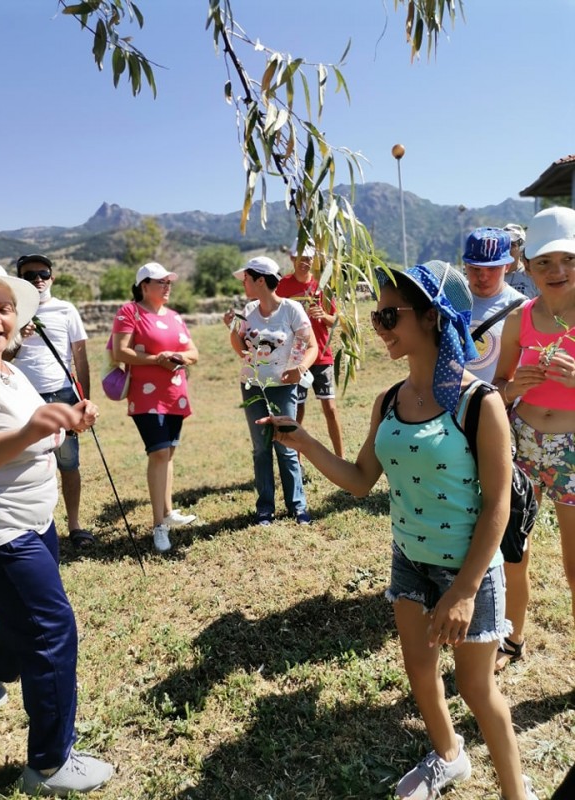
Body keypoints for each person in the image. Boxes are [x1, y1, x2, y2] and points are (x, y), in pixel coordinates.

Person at [259, 261, 538, 800]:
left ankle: (514, 791)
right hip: (409, 556)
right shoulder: (388, 400)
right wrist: (305, 442)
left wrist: (463, 589)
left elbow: (497, 508)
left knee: (478, 690)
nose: (380, 326)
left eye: (389, 315)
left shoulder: (478, 403)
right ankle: (449, 756)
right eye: (377, 314)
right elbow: (363, 480)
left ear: (432, 317)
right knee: (418, 668)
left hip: (469, 569)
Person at [0, 258, 113, 796]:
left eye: (3, 308)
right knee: (51, 630)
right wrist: (35, 426)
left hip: (32, 523)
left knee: (24, 618)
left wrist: (67, 422)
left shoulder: (5, 370)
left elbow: (34, 433)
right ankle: (50, 764)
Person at [493, 206, 575, 671]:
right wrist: (511, 387)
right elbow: (499, 387)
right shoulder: (518, 319)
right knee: (513, 552)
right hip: (523, 446)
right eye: (544, 261)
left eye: (567, 259)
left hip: (573, 452)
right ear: (527, 268)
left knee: (574, 567)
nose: (557, 271)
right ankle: (512, 639)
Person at [223, 256, 317, 526]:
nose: (244, 284)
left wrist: (299, 369)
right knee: (261, 448)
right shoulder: (249, 310)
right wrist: (232, 328)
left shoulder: (291, 310)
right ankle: (265, 509)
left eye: (246, 279)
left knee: (286, 446)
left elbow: (312, 346)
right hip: (252, 386)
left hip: (283, 387)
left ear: (260, 280)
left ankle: (298, 506)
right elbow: (240, 347)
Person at [111, 262, 198, 554]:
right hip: (146, 395)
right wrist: (157, 359)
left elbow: (193, 352)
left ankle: (168, 512)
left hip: (175, 393)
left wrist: (178, 357)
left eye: (169, 282)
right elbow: (120, 351)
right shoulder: (129, 312)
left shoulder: (174, 316)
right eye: (161, 282)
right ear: (144, 285)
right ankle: (158, 525)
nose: (167, 286)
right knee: (159, 452)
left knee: (168, 453)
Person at [11, 254, 95, 550]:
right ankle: (34, 527)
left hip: (63, 395)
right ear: (20, 281)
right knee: (27, 464)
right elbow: (0, 357)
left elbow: (80, 356)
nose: (38, 279)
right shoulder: (11, 313)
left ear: (52, 277)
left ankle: (75, 526)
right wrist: (18, 337)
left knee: (69, 463)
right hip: (23, 399)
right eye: (30, 275)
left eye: (43, 273)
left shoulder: (66, 310)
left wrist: (86, 399)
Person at [276, 239, 344, 457]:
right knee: (298, 411)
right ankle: (296, 462)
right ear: (292, 259)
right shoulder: (282, 286)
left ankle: (340, 458)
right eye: (300, 259)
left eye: (308, 258)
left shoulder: (322, 286)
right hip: (295, 358)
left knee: (330, 409)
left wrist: (323, 315)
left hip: (323, 355)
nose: (304, 263)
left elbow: (336, 321)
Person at [463, 227, 526, 382]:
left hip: (498, 403)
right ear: (465, 265)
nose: (483, 277)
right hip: (450, 403)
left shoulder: (523, 308)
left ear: (507, 266)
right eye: (475, 268)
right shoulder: (451, 298)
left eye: (492, 268)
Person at [503, 224, 540, 300]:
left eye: (512, 245)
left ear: (521, 249)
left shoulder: (533, 277)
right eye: (503, 244)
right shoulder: (490, 274)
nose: (506, 249)